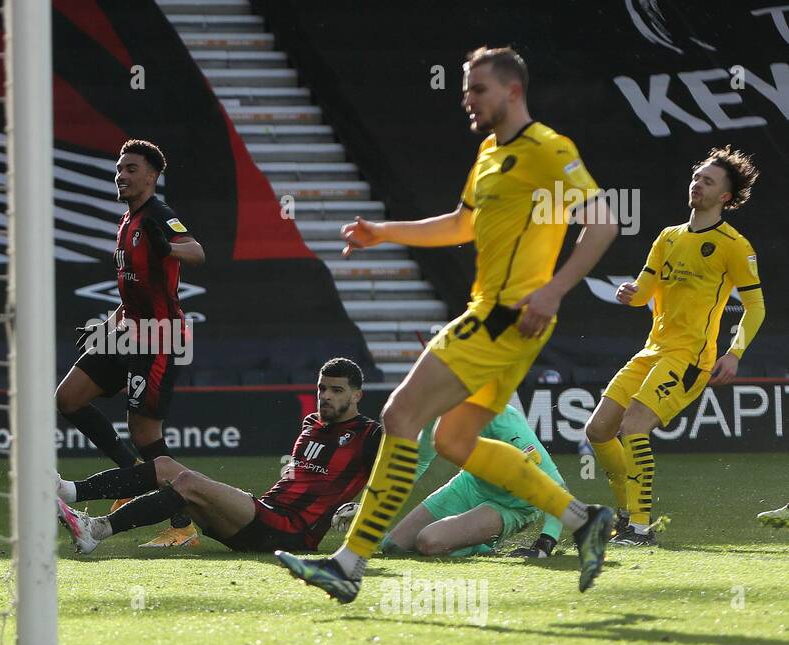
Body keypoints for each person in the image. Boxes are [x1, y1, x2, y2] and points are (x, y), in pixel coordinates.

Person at [276, 45, 619, 604]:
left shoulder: (548, 149)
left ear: (512, 90)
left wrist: (553, 291)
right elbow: (462, 224)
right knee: (455, 440)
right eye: (465, 88)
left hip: (501, 318)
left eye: (477, 88)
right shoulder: (488, 152)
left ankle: (348, 563)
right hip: (498, 319)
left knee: (399, 414)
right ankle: (581, 520)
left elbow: (602, 222)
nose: (467, 97)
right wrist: (384, 233)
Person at [583, 146, 764, 546]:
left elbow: (755, 307)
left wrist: (733, 352)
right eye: (697, 176)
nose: (698, 184)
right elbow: (644, 288)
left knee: (633, 426)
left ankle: (641, 529)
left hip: (689, 359)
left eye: (708, 181)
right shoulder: (668, 237)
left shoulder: (734, 245)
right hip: (652, 350)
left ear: (725, 197)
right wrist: (629, 293)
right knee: (598, 430)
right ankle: (627, 514)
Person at [56, 358, 380, 554]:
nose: (325, 396)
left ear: (357, 396)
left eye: (336, 391)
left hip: (291, 531)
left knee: (186, 482)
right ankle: (69, 491)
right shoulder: (311, 424)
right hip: (262, 518)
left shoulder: (369, 434)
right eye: (322, 388)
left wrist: (363, 512)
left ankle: (95, 530)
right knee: (165, 466)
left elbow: (403, 473)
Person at [55, 139, 205, 545]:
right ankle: (130, 481)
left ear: (152, 176)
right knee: (68, 398)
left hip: (159, 337)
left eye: (131, 168)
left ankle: (181, 523)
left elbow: (196, 252)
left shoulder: (159, 215)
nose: (121, 175)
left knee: (144, 433)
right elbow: (131, 293)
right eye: (119, 168)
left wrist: (168, 247)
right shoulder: (127, 220)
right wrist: (106, 329)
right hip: (126, 332)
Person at [382, 405, 564, 559]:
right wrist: (381, 500)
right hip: (470, 485)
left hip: (514, 504)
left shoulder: (504, 420)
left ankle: (484, 547)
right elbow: (419, 461)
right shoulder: (437, 409)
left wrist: (545, 543)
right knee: (392, 546)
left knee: (428, 542)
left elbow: (556, 485)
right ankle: (474, 540)